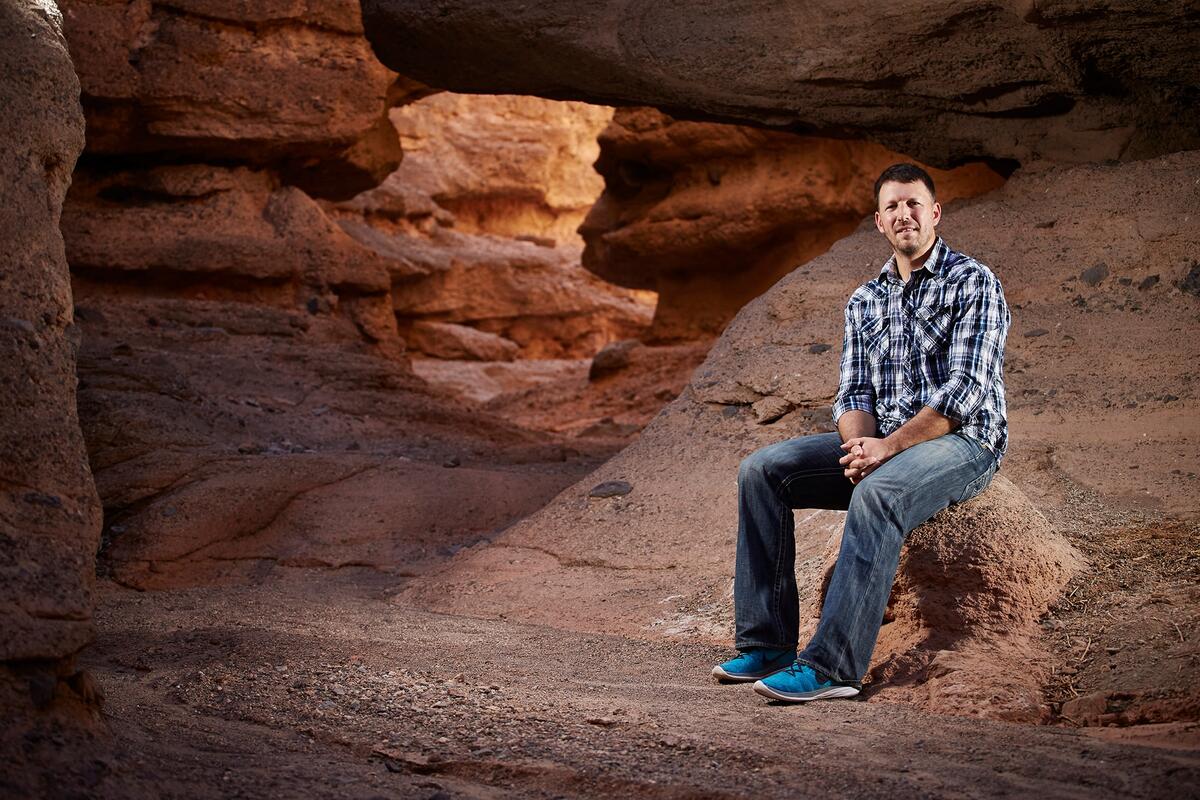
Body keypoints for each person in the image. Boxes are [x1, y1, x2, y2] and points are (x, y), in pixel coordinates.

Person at [712, 163, 1010, 703]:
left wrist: (887, 450)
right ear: (879, 221)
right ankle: (768, 644)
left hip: (964, 443)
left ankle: (833, 669)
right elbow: (854, 395)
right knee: (761, 472)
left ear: (935, 213)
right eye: (893, 206)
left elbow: (964, 391)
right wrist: (857, 447)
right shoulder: (864, 300)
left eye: (914, 204)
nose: (905, 214)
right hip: (884, 442)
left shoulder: (974, 282)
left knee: (876, 494)